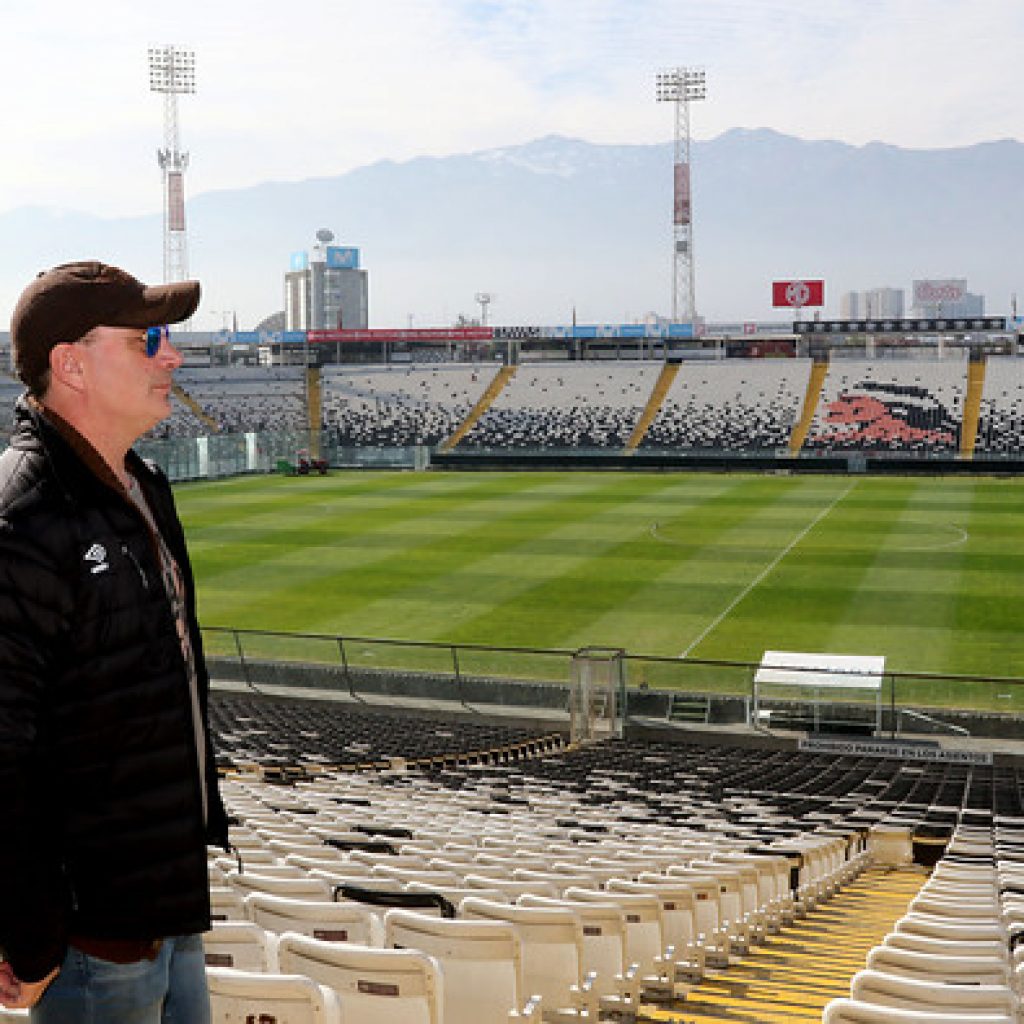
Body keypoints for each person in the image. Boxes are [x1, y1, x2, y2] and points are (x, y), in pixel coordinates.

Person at [0, 261, 229, 1022]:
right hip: (91, 938)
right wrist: (31, 936)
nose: (174, 357)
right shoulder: (23, 516)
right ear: (71, 364)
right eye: (147, 341)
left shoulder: (143, 485)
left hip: (167, 899)